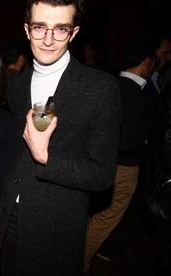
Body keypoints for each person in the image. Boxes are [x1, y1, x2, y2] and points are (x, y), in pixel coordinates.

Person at [0, 0, 121, 275]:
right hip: (7, 218)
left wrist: (46, 158)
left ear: (74, 33)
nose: (49, 40)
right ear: (27, 30)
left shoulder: (101, 88)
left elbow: (102, 175)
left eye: (60, 29)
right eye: (40, 28)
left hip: (55, 229)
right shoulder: (16, 85)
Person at [84, 37, 158, 271]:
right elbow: (126, 138)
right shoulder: (140, 93)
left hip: (96, 162)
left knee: (92, 215)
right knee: (105, 219)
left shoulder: (108, 84)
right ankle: (77, 264)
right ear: (146, 61)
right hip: (122, 167)